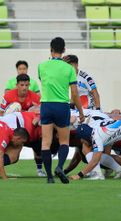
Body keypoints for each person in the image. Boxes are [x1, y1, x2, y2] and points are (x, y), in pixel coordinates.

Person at [38, 37, 84, 184]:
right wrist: (81, 112)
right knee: (64, 141)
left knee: (46, 142)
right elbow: (75, 94)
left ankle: (49, 177)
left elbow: (44, 79)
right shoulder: (69, 69)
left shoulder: (42, 66)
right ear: (64, 50)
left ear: (50, 49)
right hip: (62, 106)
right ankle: (59, 167)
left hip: (46, 105)